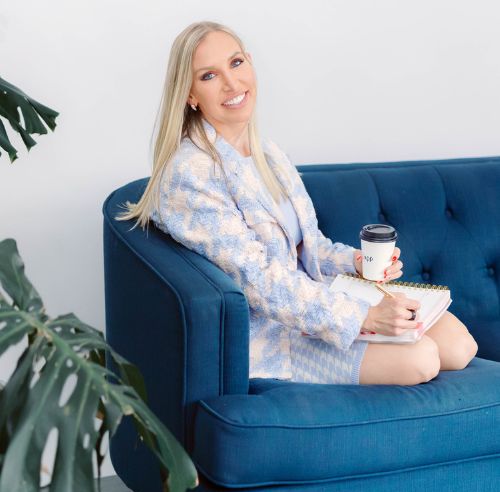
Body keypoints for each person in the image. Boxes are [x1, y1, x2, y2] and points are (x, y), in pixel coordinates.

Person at [115, 21, 478, 386]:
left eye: (236, 63)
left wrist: (355, 262)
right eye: (209, 75)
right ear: (190, 94)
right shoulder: (191, 173)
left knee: (458, 345)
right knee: (421, 359)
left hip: (318, 299)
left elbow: (309, 248)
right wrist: (364, 316)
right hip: (275, 334)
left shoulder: (267, 153)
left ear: (250, 62)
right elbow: (258, 281)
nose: (232, 83)